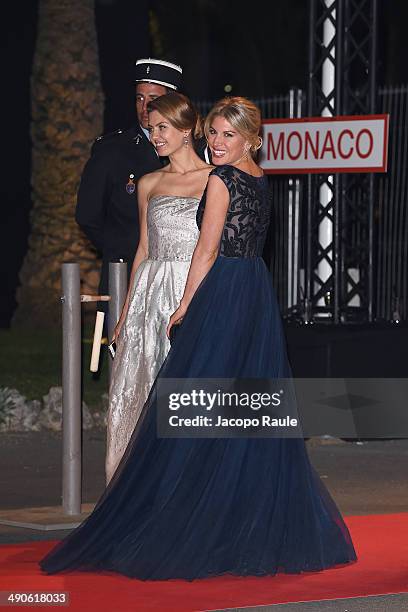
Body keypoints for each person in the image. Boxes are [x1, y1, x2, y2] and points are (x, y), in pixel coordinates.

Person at [40, 97, 356, 580]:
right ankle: (237, 515)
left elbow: (206, 251)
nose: (218, 142)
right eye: (214, 133)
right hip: (254, 292)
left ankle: (186, 514)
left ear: (251, 139)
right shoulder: (257, 177)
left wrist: (187, 306)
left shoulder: (222, 179)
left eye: (228, 135)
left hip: (223, 290)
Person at [106, 92, 211, 483]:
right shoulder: (150, 182)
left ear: (187, 130)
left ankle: (188, 481)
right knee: (141, 383)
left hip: (194, 287)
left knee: (188, 386)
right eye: (151, 129)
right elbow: (144, 248)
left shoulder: (215, 179)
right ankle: (133, 485)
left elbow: (216, 245)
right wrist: (126, 311)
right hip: (151, 292)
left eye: (162, 128)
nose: (155, 136)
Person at [75, 58, 183, 314]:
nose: (145, 107)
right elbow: (87, 215)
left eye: (153, 99)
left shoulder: (194, 149)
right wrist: (120, 249)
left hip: (178, 276)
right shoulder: (112, 150)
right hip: (124, 275)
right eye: (139, 98)